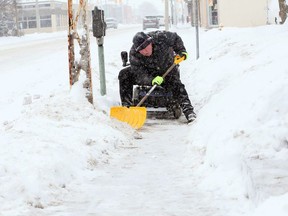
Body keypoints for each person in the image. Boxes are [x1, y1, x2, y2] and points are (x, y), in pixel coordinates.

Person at [118, 31, 196, 123]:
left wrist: (182, 51)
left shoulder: (161, 37)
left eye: (146, 47)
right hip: (147, 73)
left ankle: (188, 110)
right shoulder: (134, 54)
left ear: (150, 42)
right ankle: (127, 107)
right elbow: (139, 73)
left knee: (176, 85)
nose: (145, 51)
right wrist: (151, 80)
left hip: (167, 69)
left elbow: (175, 38)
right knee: (124, 74)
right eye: (141, 50)